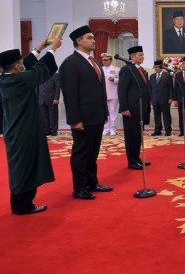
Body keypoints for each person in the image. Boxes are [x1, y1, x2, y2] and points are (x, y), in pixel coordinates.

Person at [0, 38, 60, 215]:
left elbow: (28, 64)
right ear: (16, 67)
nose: (22, 64)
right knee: (24, 167)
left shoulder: (7, 78)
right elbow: (40, 70)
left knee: (21, 167)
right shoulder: (20, 80)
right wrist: (53, 49)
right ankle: (22, 205)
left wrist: (39, 48)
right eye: (20, 63)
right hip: (23, 131)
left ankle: (20, 204)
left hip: (16, 130)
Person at [59, 25, 112, 200]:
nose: (94, 40)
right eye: (89, 37)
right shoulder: (70, 63)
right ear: (79, 41)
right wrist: (75, 119)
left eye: (93, 37)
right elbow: (69, 94)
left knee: (93, 151)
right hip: (82, 118)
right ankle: (79, 187)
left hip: (96, 116)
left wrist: (104, 113)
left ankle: (92, 182)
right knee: (81, 152)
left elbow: (100, 89)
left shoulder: (95, 61)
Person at [118, 46, 151, 170]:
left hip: (141, 108)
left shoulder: (141, 70)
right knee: (131, 135)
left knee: (138, 135)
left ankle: (137, 158)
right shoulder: (127, 69)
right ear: (132, 57)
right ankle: (131, 161)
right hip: (131, 109)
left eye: (143, 54)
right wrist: (124, 108)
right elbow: (122, 90)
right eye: (140, 55)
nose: (143, 57)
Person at [149, 60, 173, 137]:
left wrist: (170, 97)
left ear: (161, 67)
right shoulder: (152, 76)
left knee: (166, 115)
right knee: (156, 115)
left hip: (165, 99)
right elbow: (150, 88)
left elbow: (170, 88)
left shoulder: (167, 75)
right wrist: (151, 99)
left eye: (158, 67)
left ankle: (168, 130)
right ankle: (157, 130)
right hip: (155, 99)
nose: (156, 69)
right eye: (155, 67)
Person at [101, 53, 119, 136]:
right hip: (103, 94)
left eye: (106, 60)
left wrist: (114, 80)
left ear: (111, 60)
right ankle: (106, 128)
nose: (104, 61)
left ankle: (113, 128)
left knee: (113, 112)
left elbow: (121, 80)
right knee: (105, 112)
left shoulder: (116, 69)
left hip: (113, 94)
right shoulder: (100, 69)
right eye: (103, 60)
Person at [38, 71, 60, 136]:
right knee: (43, 116)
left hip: (52, 99)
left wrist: (56, 98)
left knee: (53, 116)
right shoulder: (40, 76)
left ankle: (54, 131)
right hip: (41, 99)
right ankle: (46, 130)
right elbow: (37, 88)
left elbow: (57, 87)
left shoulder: (55, 75)